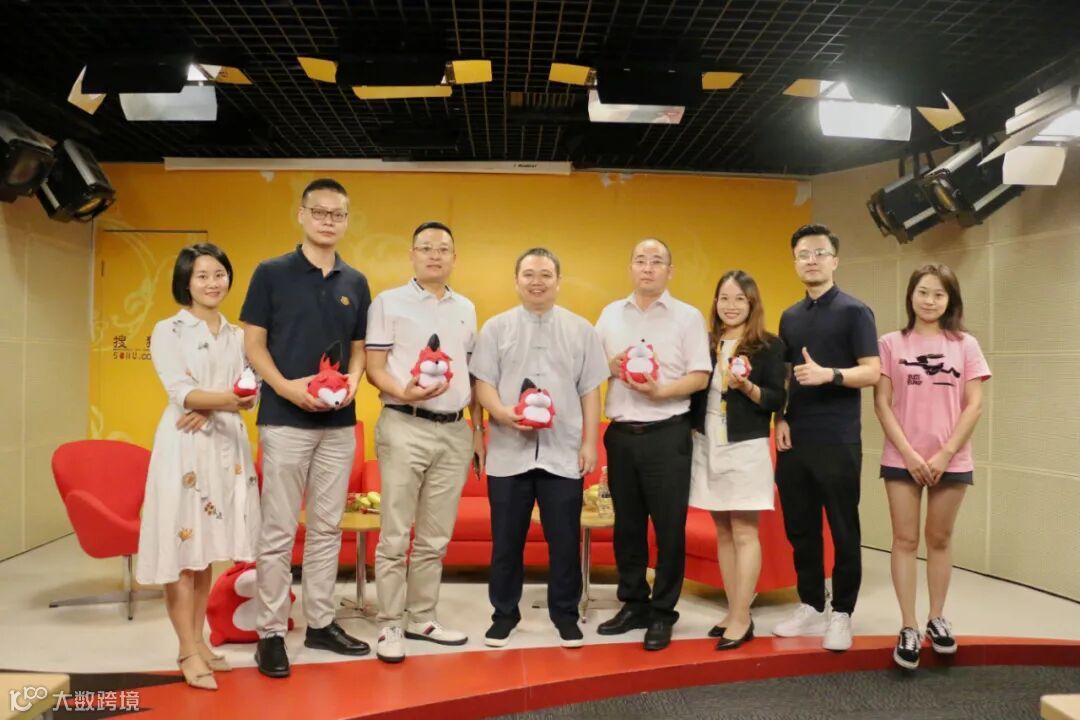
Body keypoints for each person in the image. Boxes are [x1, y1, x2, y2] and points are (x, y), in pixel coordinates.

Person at [241, 178, 372, 678]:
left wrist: (354, 382)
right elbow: (254, 344)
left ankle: (320, 622)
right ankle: (271, 632)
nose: (328, 221)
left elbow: (359, 349)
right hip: (284, 420)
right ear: (302, 215)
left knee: (326, 528)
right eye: (319, 212)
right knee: (277, 530)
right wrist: (285, 388)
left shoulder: (355, 281)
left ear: (346, 220)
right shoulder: (270, 273)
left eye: (337, 214)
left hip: (339, 425)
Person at [470, 247, 609, 649]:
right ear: (516, 281)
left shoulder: (581, 330)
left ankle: (565, 615)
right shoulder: (496, 328)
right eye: (529, 274)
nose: (537, 281)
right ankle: (503, 615)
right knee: (506, 542)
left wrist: (590, 443)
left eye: (545, 274)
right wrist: (500, 413)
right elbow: (483, 383)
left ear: (558, 282)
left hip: (562, 452)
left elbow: (590, 390)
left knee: (563, 541)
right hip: (508, 451)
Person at [136, 243, 261, 690]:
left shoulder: (238, 335)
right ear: (185, 282)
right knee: (183, 552)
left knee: (206, 551)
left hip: (225, 449)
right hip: (185, 446)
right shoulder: (168, 330)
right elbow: (181, 392)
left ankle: (201, 640)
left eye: (219, 274)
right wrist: (222, 401)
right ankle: (186, 649)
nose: (212, 283)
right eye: (202, 275)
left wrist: (214, 403)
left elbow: (252, 391)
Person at [364, 221, 482, 663]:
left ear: (454, 257)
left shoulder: (466, 307)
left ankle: (422, 617)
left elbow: (471, 375)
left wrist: (477, 430)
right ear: (412, 254)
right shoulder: (388, 302)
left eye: (443, 249)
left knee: (435, 537)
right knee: (395, 534)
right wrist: (403, 391)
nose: (435, 255)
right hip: (404, 423)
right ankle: (390, 623)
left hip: (454, 430)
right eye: (426, 247)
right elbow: (374, 367)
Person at [594, 238, 711, 651]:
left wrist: (663, 392)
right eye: (641, 260)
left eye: (656, 261)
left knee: (669, 528)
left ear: (669, 270)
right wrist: (609, 365)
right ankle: (633, 604)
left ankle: (663, 612)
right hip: (621, 435)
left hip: (668, 433)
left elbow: (700, 375)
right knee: (627, 527)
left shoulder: (688, 317)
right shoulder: (610, 314)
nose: (648, 267)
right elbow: (591, 368)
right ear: (631, 267)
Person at [874, 264, 989, 670]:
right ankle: (908, 625)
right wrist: (908, 453)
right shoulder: (890, 343)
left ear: (950, 300)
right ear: (911, 296)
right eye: (923, 292)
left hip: (950, 459)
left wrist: (945, 454)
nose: (929, 300)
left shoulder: (966, 345)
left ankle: (936, 618)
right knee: (905, 540)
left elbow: (974, 405)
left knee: (939, 539)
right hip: (901, 458)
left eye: (939, 294)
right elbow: (882, 403)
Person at [772, 223, 880, 653]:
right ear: (795, 262)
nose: (811, 260)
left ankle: (842, 613)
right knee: (800, 528)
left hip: (838, 438)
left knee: (843, 528)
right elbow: (784, 376)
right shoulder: (789, 316)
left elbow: (871, 372)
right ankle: (812, 604)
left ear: (835, 260)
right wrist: (780, 418)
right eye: (803, 254)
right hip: (795, 438)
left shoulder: (856, 311)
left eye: (819, 253)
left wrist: (829, 375)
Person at [688, 270, 786, 651]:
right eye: (724, 298)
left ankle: (743, 617)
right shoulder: (705, 343)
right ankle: (733, 610)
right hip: (707, 443)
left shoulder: (768, 346)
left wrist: (747, 387)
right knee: (724, 531)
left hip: (745, 447)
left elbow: (776, 398)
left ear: (751, 303)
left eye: (739, 299)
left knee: (745, 532)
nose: (730, 306)